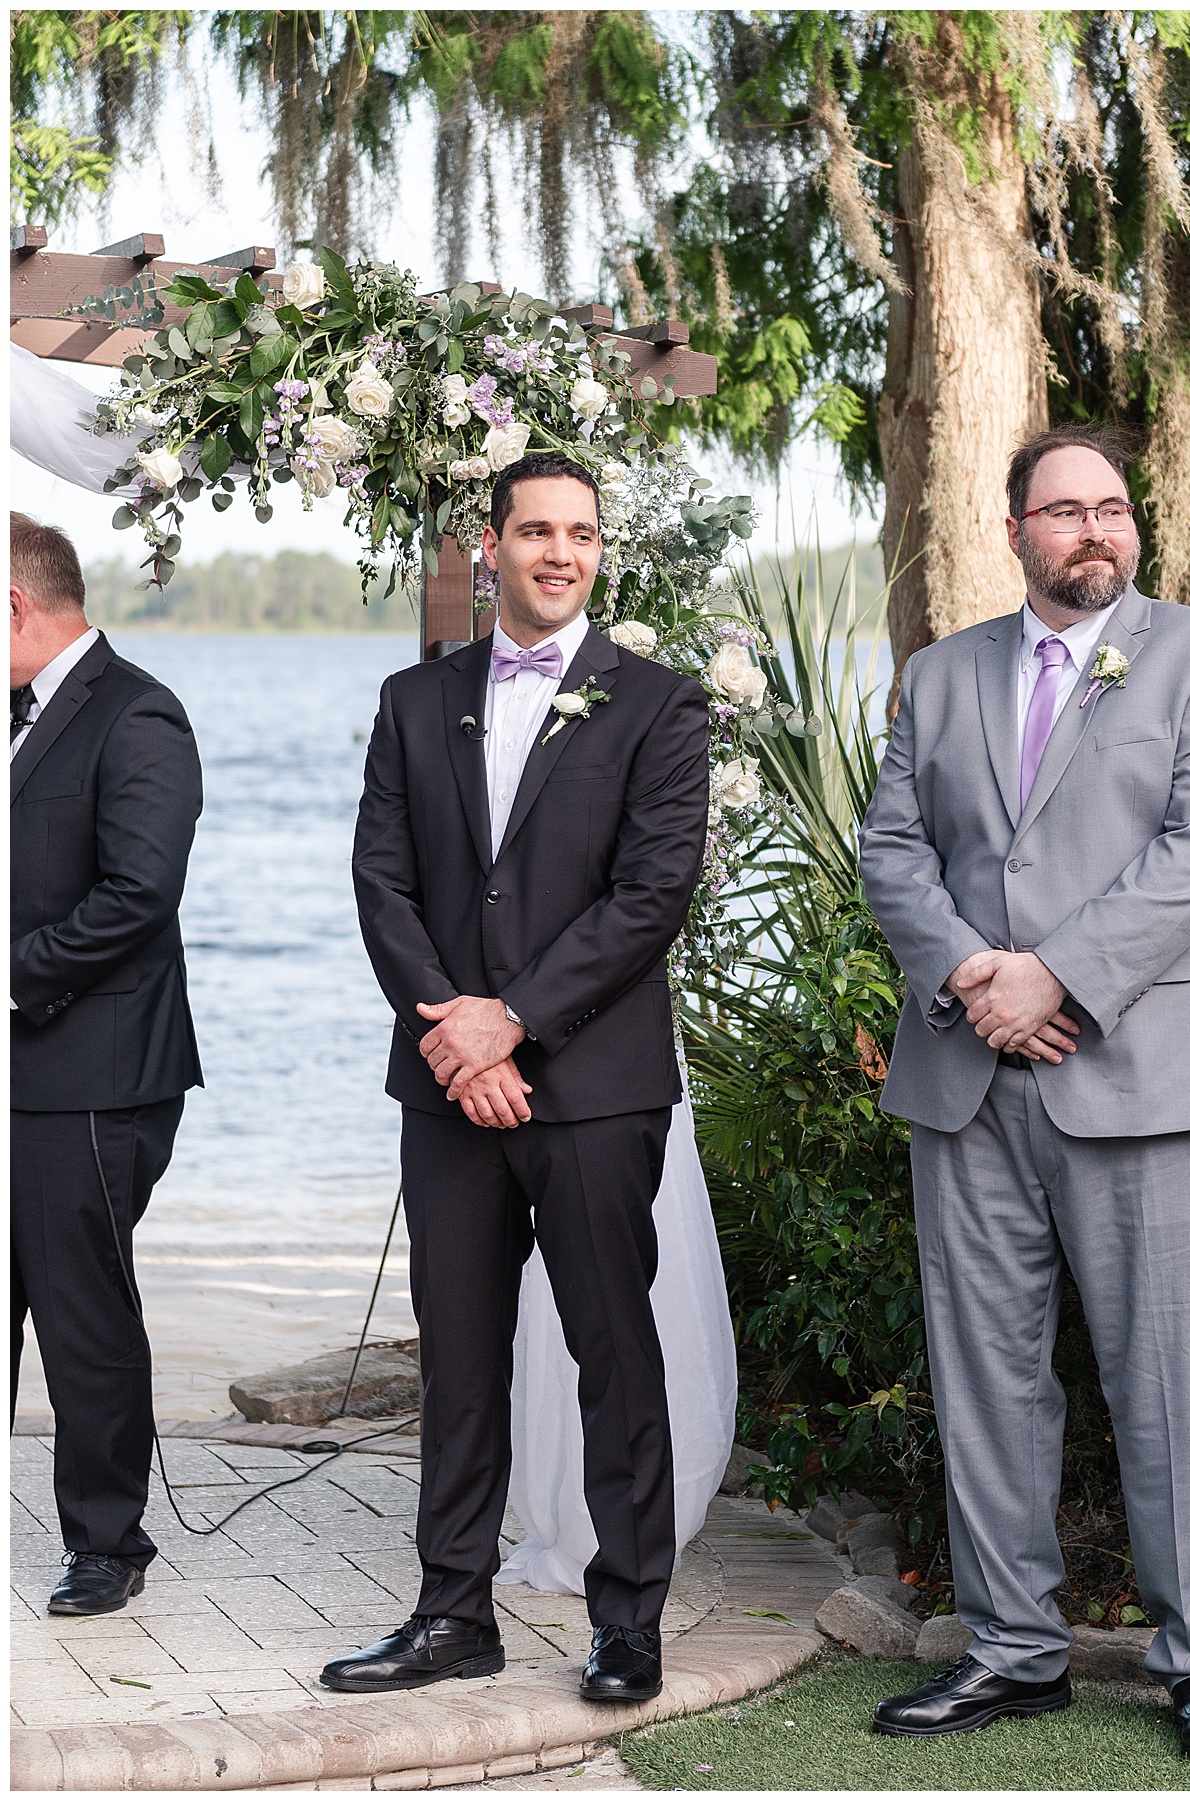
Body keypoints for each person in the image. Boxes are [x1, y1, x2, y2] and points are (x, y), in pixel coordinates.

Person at [334, 451, 710, 1703]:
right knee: (460, 1357)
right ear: (486, 545)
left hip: (593, 1088)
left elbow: (651, 893)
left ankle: (627, 1621)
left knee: (614, 1348)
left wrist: (517, 1024)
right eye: (537, 531)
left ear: (601, 550)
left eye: (582, 533)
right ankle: (452, 1613)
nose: (561, 552)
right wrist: (455, 1030)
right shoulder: (412, 697)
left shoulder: (655, 704)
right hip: (446, 1087)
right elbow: (380, 881)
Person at [859, 425, 1190, 1752]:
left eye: (1113, 508)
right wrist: (973, 978)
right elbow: (896, 851)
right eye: (1065, 511)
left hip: (1124, 1075)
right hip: (964, 1074)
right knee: (988, 1374)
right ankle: (1012, 1648)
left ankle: (1189, 1653)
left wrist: (1053, 977)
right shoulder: (939, 677)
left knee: (1156, 1379)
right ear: (1015, 533)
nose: (1094, 530)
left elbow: (1186, 852)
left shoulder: (1183, 654)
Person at [9, 511, 203, 1618]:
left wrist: (10, 976)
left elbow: (138, 896)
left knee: (80, 1315)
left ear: (17, 606)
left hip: (91, 1072)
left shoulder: (138, 713)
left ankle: (106, 1541)